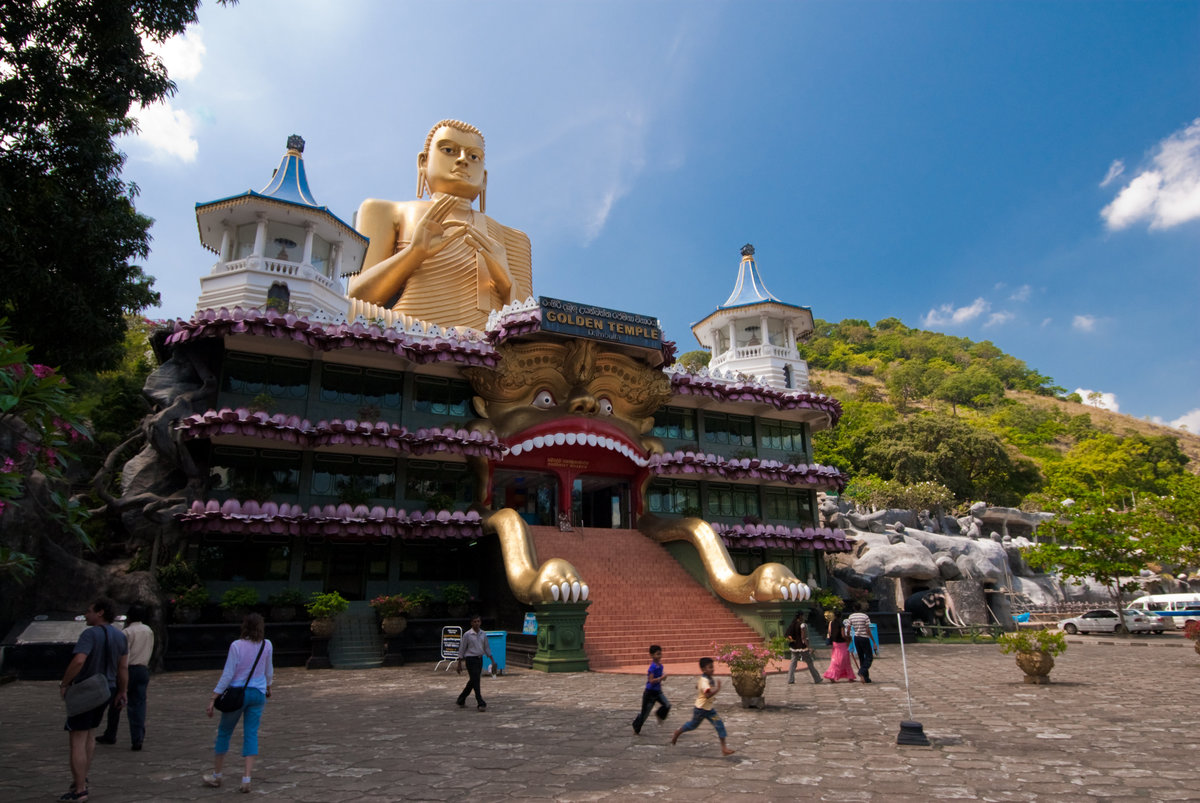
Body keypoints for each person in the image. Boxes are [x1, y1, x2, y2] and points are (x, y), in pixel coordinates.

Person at [348, 119, 533, 332]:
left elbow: (528, 324)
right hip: (411, 332)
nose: (463, 160)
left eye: (474, 156)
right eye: (449, 150)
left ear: (484, 178)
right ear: (423, 162)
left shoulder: (514, 238)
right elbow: (357, 299)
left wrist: (506, 279)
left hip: (490, 342)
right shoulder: (387, 211)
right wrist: (414, 253)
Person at [58, 596, 129, 802]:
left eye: (89, 611)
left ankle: (79, 788)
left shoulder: (90, 635)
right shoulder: (120, 636)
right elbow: (122, 667)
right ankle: (83, 778)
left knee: (77, 739)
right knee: (90, 735)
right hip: (107, 689)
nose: (86, 615)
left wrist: (65, 683)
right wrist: (122, 691)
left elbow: (79, 660)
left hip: (87, 689)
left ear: (100, 612)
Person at [204, 613, 273, 794]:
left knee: (224, 732)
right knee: (251, 733)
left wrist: (214, 696)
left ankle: (217, 774)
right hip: (258, 692)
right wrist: (269, 686)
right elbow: (269, 670)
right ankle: (247, 778)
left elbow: (228, 674)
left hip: (237, 693)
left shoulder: (236, 646)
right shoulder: (267, 645)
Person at [96, 603, 153, 750]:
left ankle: (111, 733)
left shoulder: (126, 632)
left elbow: (121, 654)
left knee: (116, 702)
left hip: (127, 669)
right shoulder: (148, 630)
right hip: (143, 668)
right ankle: (137, 738)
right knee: (139, 705)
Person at [670, 657, 735, 756]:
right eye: (710, 667)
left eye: (712, 667)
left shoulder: (706, 678)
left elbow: (698, 685)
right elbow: (707, 695)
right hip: (700, 709)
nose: (712, 669)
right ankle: (678, 732)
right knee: (692, 725)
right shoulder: (704, 680)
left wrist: (699, 686)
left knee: (719, 725)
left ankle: (724, 749)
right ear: (704, 669)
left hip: (709, 709)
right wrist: (718, 689)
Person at [456, 615, 494, 711]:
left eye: (478, 621)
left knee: (473, 680)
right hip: (470, 659)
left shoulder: (483, 634)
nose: (476, 623)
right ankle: (480, 702)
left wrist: (492, 660)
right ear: (471, 623)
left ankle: (461, 698)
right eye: (474, 621)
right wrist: (459, 663)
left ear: (480, 622)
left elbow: (486, 648)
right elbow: (462, 648)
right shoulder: (467, 635)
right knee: (476, 680)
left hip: (479, 659)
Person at [631, 644, 671, 735]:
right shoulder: (652, 667)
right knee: (645, 714)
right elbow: (651, 680)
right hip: (649, 693)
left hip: (658, 692)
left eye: (660, 654)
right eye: (657, 654)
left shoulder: (660, 666)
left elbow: (660, 677)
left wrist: (663, 677)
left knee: (667, 705)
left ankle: (659, 714)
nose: (659, 656)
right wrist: (661, 678)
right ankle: (636, 726)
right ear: (652, 655)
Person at [785, 611, 822, 684]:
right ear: (801, 616)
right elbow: (803, 637)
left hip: (794, 645)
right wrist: (809, 647)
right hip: (802, 646)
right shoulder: (802, 625)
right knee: (809, 662)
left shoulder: (793, 624)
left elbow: (788, 634)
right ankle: (817, 678)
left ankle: (790, 679)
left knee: (793, 663)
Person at [823, 611, 857, 683]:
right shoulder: (841, 624)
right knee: (845, 660)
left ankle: (835, 675)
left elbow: (829, 632)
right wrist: (848, 638)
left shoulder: (831, 623)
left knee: (835, 660)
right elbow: (843, 635)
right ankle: (848, 676)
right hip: (842, 644)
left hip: (835, 643)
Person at [846, 608, 874, 683]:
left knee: (861, 657)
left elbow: (848, 629)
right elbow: (868, 630)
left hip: (856, 638)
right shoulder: (865, 616)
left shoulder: (851, 616)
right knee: (869, 657)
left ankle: (865, 677)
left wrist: (849, 638)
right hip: (864, 637)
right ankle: (862, 671)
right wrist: (873, 640)